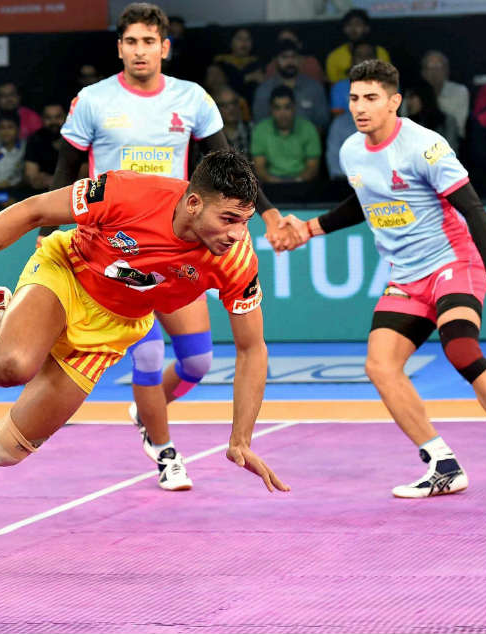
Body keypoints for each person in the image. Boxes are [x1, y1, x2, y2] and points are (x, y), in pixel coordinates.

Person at [0, 151, 289, 505]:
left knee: (7, 449)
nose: (237, 234)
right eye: (229, 218)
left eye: (244, 222)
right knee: (9, 368)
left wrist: (241, 438)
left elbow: (252, 349)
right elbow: (32, 211)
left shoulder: (235, 260)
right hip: (68, 274)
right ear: (194, 203)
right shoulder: (128, 192)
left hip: (114, 327)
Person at [37, 2, 297, 491]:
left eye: (149, 42)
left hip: (182, 246)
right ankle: (164, 449)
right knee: (149, 356)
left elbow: (226, 162)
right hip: (117, 246)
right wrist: (49, 225)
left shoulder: (192, 99)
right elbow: (65, 167)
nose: (140, 50)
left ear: (165, 47)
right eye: (131, 42)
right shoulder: (92, 100)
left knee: (197, 361)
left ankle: (144, 409)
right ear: (120, 48)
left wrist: (267, 212)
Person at [276, 60, 486, 498]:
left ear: (394, 101)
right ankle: (442, 464)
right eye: (353, 99)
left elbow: (473, 207)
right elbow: (363, 200)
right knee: (380, 366)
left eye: (371, 98)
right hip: (405, 275)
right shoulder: (350, 150)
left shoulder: (424, 145)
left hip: (452, 262)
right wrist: (309, 230)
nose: (360, 107)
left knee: (460, 347)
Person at [252, 40, 329, 131]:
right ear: (276, 60)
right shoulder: (264, 90)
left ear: (300, 59)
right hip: (272, 143)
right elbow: (260, 124)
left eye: (294, 57)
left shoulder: (314, 88)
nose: (290, 61)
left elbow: (322, 123)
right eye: (284, 57)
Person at [251, 85, 321, 184]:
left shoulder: (308, 128)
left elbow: (313, 168)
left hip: (303, 184)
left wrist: (296, 182)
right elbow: (259, 169)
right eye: (277, 108)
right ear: (271, 109)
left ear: (294, 107)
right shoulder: (260, 130)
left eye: (287, 107)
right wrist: (277, 183)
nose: (282, 113)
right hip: (270, 184)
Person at [325, 9, 391, 84]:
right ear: (344, 29)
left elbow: (388, 80)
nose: (353, 29)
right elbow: (334, 86)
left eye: (358, 24)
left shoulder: (381, 52)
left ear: (367, 28)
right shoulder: (334, 56)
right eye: (349, 25)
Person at [418, 51, 470, 138]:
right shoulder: (414, 94)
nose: (434, 72)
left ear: (447, 70)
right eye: (429, 67)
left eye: (438, 67)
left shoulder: (460, 91)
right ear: (423, 72)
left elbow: (459, 129)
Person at [404, 80, 460, 151]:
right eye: (406, 98)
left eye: (411, 97)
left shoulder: (447, 121)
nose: (408, 102)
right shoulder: (406, 125)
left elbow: (450, 151)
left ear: (423, 97)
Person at [212, 28, 264, 103]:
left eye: (248, 39)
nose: (244, 42)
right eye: (239, 38)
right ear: (231, 42)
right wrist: (249, 77)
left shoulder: (257, 63)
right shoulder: (220, 63)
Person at [23, 104, 66, 190]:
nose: (53, 122)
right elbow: (32, 178)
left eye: (58, 117)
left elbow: (82, 178)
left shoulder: (77, 139)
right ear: (42, 119)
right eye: (48, 118)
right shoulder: (35, 139)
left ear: (66, 117)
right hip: (42, 195)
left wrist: (50, 180)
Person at [330, 41, 377, 115]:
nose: (364, 59)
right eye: (359, 55)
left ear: (376, 59)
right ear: (353, 60)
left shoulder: (389, 85)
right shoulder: (340, 87)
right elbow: (338, 118)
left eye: (368, 55)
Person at [215, 86, 251, 159]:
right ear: (216, 108)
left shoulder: (252, 129)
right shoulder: (212, 137)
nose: (231, 108)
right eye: (224, 105)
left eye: (234, 103)